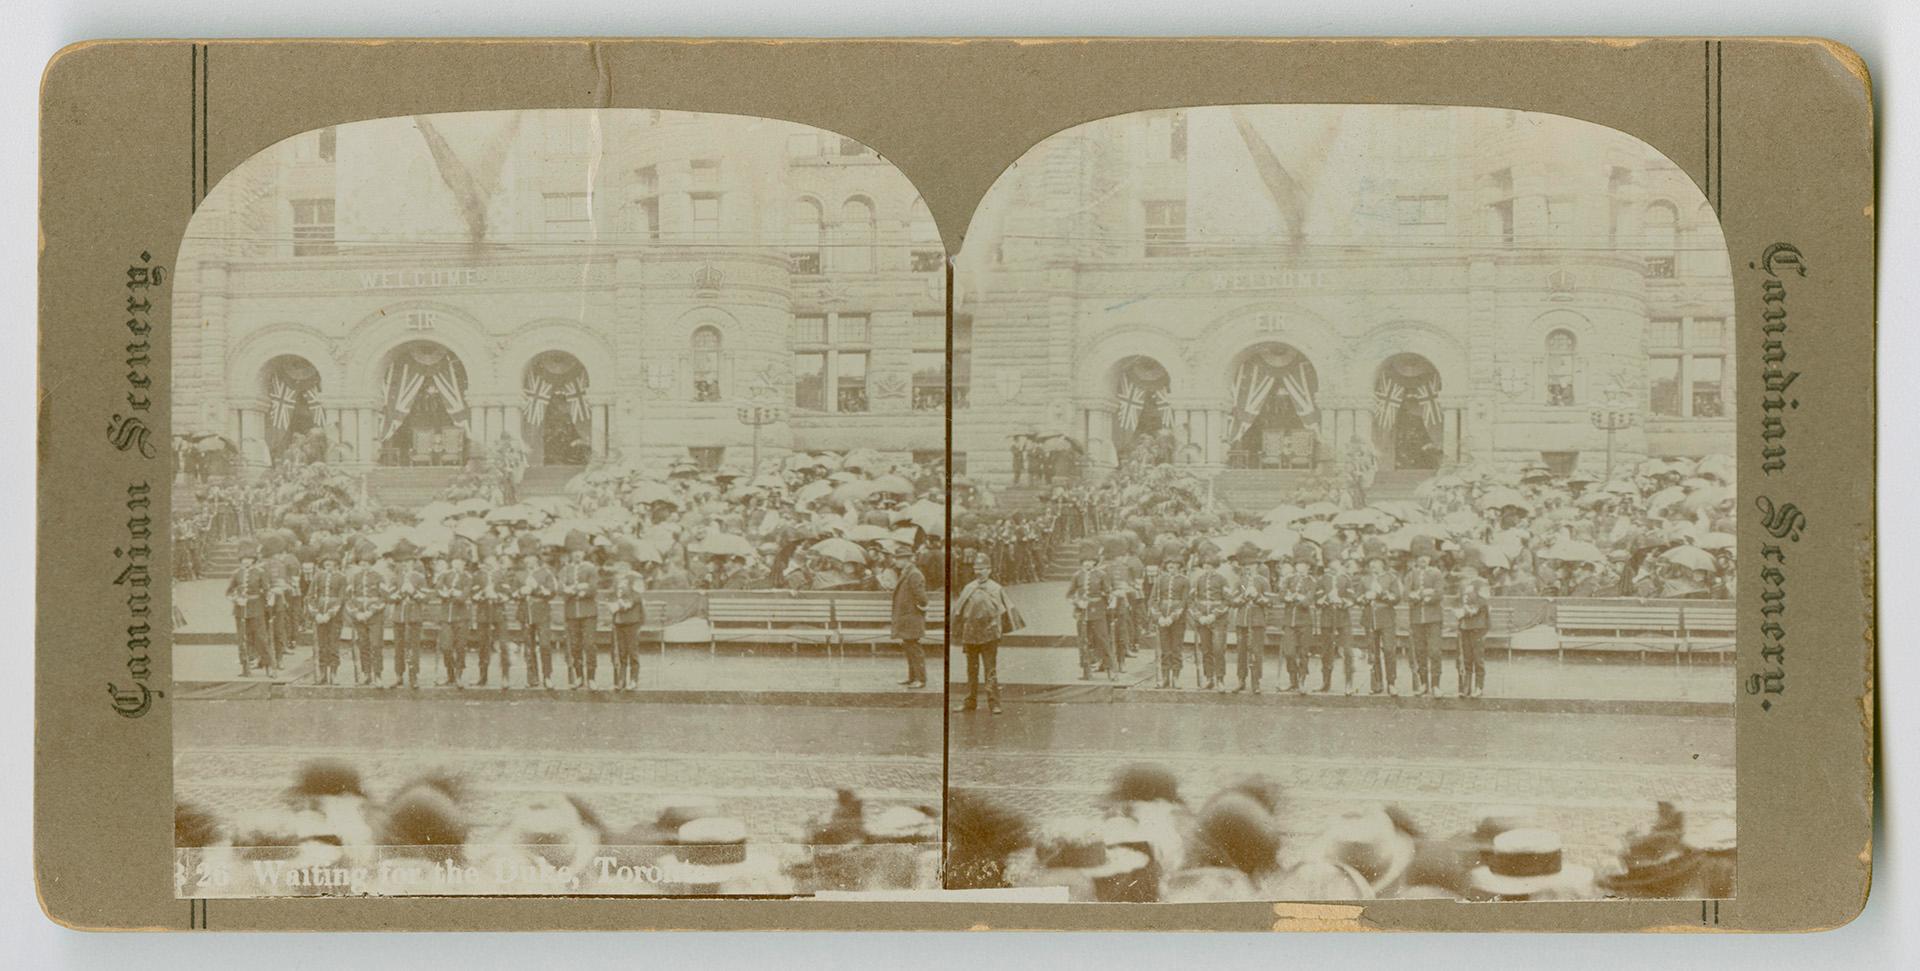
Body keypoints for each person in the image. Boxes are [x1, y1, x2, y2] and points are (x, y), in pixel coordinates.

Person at [952, 552, 1009, 715]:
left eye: (983, 568)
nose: (979, 571)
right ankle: (970, 701)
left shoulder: (996, 588)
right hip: (970, 634)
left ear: (989, 570)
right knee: (971, 670)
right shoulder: (968, 587)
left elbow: (1003, 612)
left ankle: (994, 703)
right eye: (976, 568)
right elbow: (959, 610)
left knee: (990, 670)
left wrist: (997, 629)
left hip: (989, 635)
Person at [1067, 549, 1115, 681]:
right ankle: (1086, 670)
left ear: (1095, 563)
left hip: (1098, 611)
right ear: (1082, 563)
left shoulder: (1101, 575)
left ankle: (1111, 670)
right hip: (1082, 612)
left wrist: (1110, 601)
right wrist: (1078, 602)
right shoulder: (1077, 575)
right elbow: (1070, 594)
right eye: (1085, 562)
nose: (1088, 564)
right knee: (1083, 640)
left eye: (1091, 562)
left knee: (1103, 639)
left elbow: (1108, 591)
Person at [1359, 556, 1403, 695]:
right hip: (1370, 619)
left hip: (1386, 619)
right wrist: (1365, 597)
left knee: (1389, 650)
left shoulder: (1391, 578)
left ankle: (1391, 683)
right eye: (1372, 563)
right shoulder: (1365, 579)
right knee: (1373, 652)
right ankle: (1377, 684)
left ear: (1383, 564)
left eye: (1377, 563)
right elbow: (1357, 597)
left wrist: (1381, 594)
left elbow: (1396, 598)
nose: (1374, 566)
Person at [227, 544, 272, 677]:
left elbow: (266, 590)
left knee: (261, 637)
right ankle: (245, 667)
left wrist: (269, 602)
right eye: (243, 559)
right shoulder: (236, 573)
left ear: (253, 559)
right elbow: (229, 592)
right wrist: (236, 599)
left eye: (249, 559)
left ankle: (268, 665)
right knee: (243, 638)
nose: (246, 561)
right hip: (240, 609)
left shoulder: (260, 572)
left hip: (257, 608)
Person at [1405, 553, 1445, 697]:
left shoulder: (1436, 573)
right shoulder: (1411, 574)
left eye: (1425, 556)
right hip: (1416, 618)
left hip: (1433, 618)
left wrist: (1421, 596)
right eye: (1420, 556)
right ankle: (1424, 683)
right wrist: (1423, 594)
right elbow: (1406, 594)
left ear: (1429, 558)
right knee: (1420, 651)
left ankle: (1436, 685)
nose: (1423, 559)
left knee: (1434, 651)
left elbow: (1439, 594)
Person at [345, 553, 389, 686]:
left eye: (366, 563)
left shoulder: (379, 577)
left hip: (374, 616)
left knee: (376, 645)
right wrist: (356, 613)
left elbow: (384, 597)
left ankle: (378, 675)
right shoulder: (354, 578)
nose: (364, 566)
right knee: (363, 645)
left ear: (371, 564)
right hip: (359, 616)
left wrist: (371, 611)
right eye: (361, 564)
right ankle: (366, 674)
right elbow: (348, 597)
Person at [1229, 550, 1270, 693]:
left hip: (1257, 620)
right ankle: (1241, 680)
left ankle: (1256, 681)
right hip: (1242, 621)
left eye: (1251, 564)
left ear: (1257, 566)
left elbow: (1268, 601)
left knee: (1256, 651)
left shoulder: (1263, 581)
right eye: (1245, 565)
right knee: (1241, 652)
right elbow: (1232, 601)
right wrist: (1244, 597)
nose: (1248, 567)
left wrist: (1257, 596)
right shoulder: (1240, 582)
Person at [388, 552, 429, 689]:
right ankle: (399, 675)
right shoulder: (395, 577)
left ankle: (413, 676)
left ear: (413, 562)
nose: (405, 564)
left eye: (408, 561)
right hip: (399, 616)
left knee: (413, 647)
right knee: (399, 647)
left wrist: (413, 592)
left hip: (414, 616)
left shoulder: (420, 578)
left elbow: (425, 597)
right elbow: (389, 597)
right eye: (402, 561)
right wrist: (400, 593)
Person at [1189, 554, 1230, 690]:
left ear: (1215, 566)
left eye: (1211, 565)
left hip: (1218, 620)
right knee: (1206, 650)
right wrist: (1199, 616)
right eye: (1205, 565)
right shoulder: (1198, 580)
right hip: (1202, 620)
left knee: (1218, 650)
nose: (1208, 568)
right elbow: (1190, 600)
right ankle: (1209, 678)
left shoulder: (1222, 580)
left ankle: (1220, 679)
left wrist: (1214, 614)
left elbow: (1227, 600)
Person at [518, 553, 560, 689]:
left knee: (544, 645)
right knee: (528, 647)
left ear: (536, 559)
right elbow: (512, 592)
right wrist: (520, 591)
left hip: (541, 612)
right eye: (526, 559)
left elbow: (552, 591)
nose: (529, 561)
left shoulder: (546, 573)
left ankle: (547, 676)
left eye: (531, 558)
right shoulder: (520, 574)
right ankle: (532, 678)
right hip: (525, 613)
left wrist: (535, 588)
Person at [890, 545, 929, 689]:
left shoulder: (914, 574)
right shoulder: (907, 572)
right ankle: (913, 677)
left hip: (911, 617)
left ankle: (920, 679)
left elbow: (922, 597)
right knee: (909, 647)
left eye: (899, 559)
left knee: (914, 648)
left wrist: (919, 609)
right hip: (908, 617)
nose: (896, 561)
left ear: (907, 559)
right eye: (897, 558)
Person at [562, 548, 601, 690]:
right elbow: (562, 588)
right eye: (575, 551)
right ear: (571, 553)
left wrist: (578, 590)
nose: (577, 554)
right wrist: (576, 588)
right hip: (572, 613)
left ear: (584, 553)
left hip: (588, 612)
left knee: (590, 644)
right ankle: (579, 676)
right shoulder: (566, 569)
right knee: (575, 645)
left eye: (580, 551)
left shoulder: (590, 568)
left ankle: (591, 677)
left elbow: (593, 588)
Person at [306, 553, 347, 685]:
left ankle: (333, 673)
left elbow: (342, 597)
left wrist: (330, 613)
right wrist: (316, 614)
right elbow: (310, 596)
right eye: (326, 563)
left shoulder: (342, 578)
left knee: (333, 644)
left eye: (331, 563)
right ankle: (322, 673)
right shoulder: (318, 577)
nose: (328, 565)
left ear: (336, 564)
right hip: (319, 614)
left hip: (335, 615)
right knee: (322, 645)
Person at [471, 553, 511, 688]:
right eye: (487, 561)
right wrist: (483, 593)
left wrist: (496, 595)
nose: (489, 563)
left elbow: (508, 593)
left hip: (499, 613)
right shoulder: (478, 575)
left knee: (504, 645)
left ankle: (505, 676)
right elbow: (472, 594)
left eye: (492, 560)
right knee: (483, 645)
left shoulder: (502, 574)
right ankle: (483, 676)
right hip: (483, 613)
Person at [1148, 559, 1189, 689]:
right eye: (1170, 566)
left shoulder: (1184, 581)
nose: (1172, 568)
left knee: (1176, 648)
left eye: (1175, 565)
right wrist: (1159, 617)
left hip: (1178, 619)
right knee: (1165, 649)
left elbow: (1184, 601)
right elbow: (1153, 600)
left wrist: (1173, 616)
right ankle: (1165, 677)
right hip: (1162, 618)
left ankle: (1176, 677)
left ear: (1179, 566)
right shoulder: (1160, 580)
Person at [433, 554, 470, 688]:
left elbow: (464, 596)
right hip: (446, 618)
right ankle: (450, 674)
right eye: (455, 561)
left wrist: (455, 593)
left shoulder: (467, 577)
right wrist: (443, 593)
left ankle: (459, 676)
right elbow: (437, 589)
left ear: (464, 564)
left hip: (461, 618)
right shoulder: (445, 575)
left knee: (460, 647)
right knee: (446, 647)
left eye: (460, 562)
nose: (457, 564)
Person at [1454, 564, 1491, 698]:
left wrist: (1467, 611)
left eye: (1469, 569)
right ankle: (1465, 687)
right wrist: (1457, 611)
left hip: (1478, 626)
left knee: (1478, 658)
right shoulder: (1463, 585)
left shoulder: (1481, 583)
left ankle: (1478, 687)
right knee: (1465, 657)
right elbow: (1458, 601)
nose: (1465, 572)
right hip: (1464, 626)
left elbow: (1483, 602)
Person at [608, 560, 645, 690]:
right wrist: (611, 603)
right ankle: (621, 679)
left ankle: (634, 679)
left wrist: (625, 604)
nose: (621, 567)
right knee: (621, 651)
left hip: (632, 620)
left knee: (632, 651)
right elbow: (611, 595)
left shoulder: (636, 577)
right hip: (618, 621)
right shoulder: (616, 579)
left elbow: (638, 596)